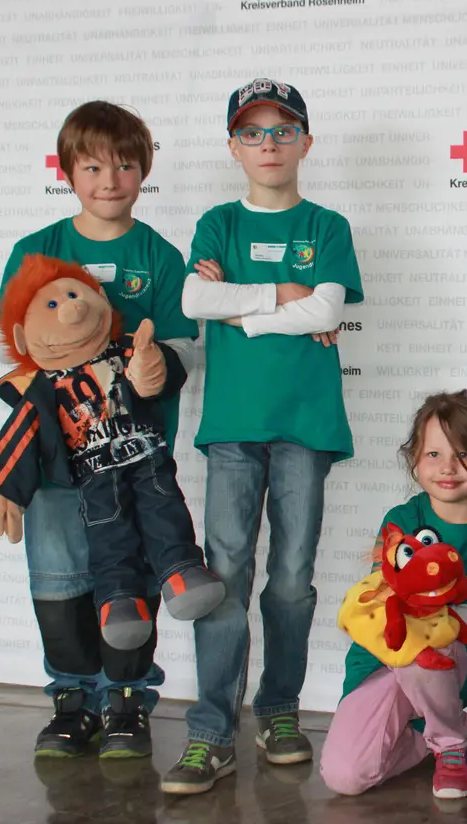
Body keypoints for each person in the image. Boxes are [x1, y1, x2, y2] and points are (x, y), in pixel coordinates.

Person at [165, 77, 364, 795]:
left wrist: (242, 311)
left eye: (283, 131)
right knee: (225, 575)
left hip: (307, 428)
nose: (269, 144)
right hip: (232, 431)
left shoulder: (327, 226)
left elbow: (326, 311)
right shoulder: (218, 223)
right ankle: (210, 731)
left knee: (289, 579)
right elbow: (192, 299)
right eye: (253, 132)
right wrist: (283, 298)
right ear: (233, 148)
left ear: (306, 142)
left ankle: (279, 708)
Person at [0, 101, 198, 760]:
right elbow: (5, 342)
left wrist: (159, 364)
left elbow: (186, 345)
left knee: (127, 579)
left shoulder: (159, 256)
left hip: (132, 460)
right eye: (94, 166)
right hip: (54, 465)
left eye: (126, 164)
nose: (111, 180)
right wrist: (34, 380)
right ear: (67, 171)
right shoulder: (37, 251)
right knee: (58, 580)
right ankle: (72, 700)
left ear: (145, 170)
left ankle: (127, 703)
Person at [319, 390, 467, 800]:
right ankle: (430, 735)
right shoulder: (401, 519)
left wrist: (445, 619)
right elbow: (378, 604)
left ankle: (451, 744)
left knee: (426, 638)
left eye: (463, 454)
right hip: (382, 662)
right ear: (414, 460)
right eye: (434, 455)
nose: (448, 468)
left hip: (455, 656)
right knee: (344, 777)